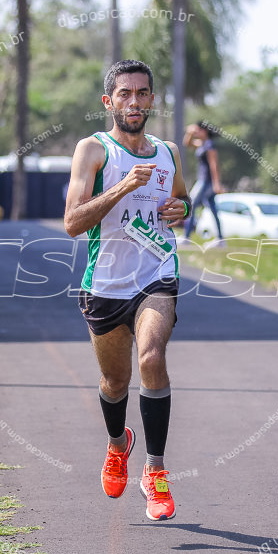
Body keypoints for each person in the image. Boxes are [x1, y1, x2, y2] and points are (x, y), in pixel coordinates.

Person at [64, 59, 191, 521]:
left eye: (142, 93)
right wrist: (119, 188)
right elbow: (73, 223)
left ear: (152, 99)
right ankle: (119, 445)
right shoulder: (93, 151)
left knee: (151, 358)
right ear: (109, 101)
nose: (134, 101)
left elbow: (182, 197)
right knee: (115, 382)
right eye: (124, 94)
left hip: (157, 273)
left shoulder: (168, 152)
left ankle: (154, 471)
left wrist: (181, 208)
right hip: (105, 283)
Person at [182, 121, 224, 241]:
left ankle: (186, 237)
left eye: (198, 130)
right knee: (213, 209)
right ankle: (220, 239)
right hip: (204, 181)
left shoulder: (210, 147)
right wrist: (189, 133)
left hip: (206, 182)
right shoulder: (203, 144)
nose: (197, 132)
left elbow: (214, 165)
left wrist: (217, 184)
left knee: (191, 204)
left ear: (204, 131)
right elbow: (187, 143)